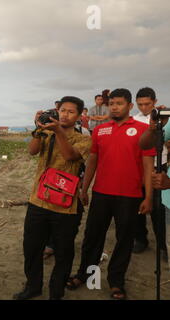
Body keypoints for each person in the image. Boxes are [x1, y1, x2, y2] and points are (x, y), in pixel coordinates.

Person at [66, 89, 155, 300]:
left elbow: (148, 165)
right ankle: (84, 274)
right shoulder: (100, 130)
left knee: (124, 241)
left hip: (130, 196)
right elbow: (93, 162)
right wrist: (84, 188)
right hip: (101, 194)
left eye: (119, 103)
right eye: (111, 103)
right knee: (92, 237)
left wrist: (148, 197)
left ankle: (116, 282)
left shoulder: (143, 130)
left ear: (129, 106)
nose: (114, 107)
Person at [12, 96, 91, 300]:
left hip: (66, 207)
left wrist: (58, 132)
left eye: (70, 111)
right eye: (62, 110)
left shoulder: (83, 138)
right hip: (39, 200)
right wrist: (39, 128)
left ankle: (56, 292)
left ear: (79, 116)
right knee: (31, 248)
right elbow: (32, 151)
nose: (65, 114)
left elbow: (70, 156)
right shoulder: (46, 132)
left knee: (64, 252)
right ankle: (33, 286)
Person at [132, 87, 167, 257]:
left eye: (147, 104)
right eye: (140, 104)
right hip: (140, 169)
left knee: (159, 209)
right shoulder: (133, 120)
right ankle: (141, 239)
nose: (144, 108)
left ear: (154, 101)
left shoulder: (164, 116)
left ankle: (163, 244)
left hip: (160, 166)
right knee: (138, 205)